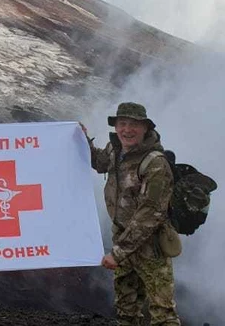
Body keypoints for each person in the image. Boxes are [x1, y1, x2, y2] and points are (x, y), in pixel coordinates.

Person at [83, 102, 181, 326]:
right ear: (116, 126)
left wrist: (117, 254)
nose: (127, 130)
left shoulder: (155, 164)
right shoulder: (115, 150)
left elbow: (150, 215)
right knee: (126, 308)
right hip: (122, 239)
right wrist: (83, 140)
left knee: (162, 313)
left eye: (134, 125)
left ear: (145, 128)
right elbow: (99, 163)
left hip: (150, 246)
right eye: (122, 124)